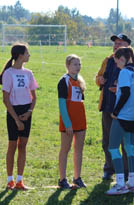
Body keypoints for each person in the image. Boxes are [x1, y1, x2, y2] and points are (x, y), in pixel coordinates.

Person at [0, 44, 38, 190]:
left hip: (26, 112)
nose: (29, 55)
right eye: (27, 53)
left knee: (23, 146)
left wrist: (29, 112)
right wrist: (16, 119)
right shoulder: (9, 73)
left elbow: (34, 97)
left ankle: (20, 180)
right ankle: (10, 180)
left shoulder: (29, 73)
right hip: (14, 112)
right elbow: (5, 99)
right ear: (20, 55)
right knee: (13, 145)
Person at [96, 34, 131, 180]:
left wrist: (121, 90)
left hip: (126, 109)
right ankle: (109, 169)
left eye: (120, 43)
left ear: (128, 46)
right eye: (115, 43)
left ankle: (127, 171)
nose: (116, 46)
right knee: (107, 140)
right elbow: (98, 78)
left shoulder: (132, 63)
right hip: (108, 106)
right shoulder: (108, 60)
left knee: (125, 142)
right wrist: (100, 80)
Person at [106, 47, 134, 195]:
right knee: (130, 147)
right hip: (133, 117)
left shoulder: (124, 72)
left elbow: (125, 93)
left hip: (122, 117)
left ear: (122, 59)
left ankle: (120, 184)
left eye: (116, 60)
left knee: (113, 148)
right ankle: (133, 181)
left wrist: (116, 111)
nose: (116, 63)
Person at [57, 54, 87, 189]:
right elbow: (62, 105)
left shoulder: (80, 81)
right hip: (68, 122)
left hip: (80, 120)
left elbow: (79, 102)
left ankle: (77, 178)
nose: (78, 67)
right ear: (67, 66)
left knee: (79, 149)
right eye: (75, 64)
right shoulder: (64, 81)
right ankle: (62, 179)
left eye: (79, 64)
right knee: (65, 149)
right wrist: (68, 123)